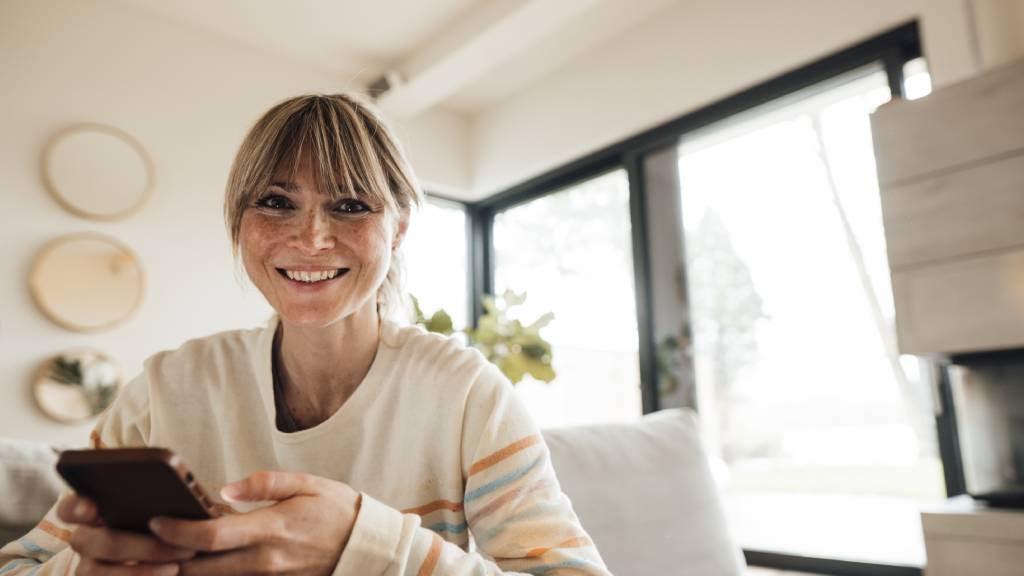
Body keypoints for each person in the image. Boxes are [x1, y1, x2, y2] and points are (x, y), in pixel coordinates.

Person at [0, 94, 611, 575]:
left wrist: (367, 547)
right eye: (274, 201)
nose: (312, 238)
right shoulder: (164, 390)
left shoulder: (468, 396)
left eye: (349, 205)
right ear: (239, 224)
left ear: (397, 228)